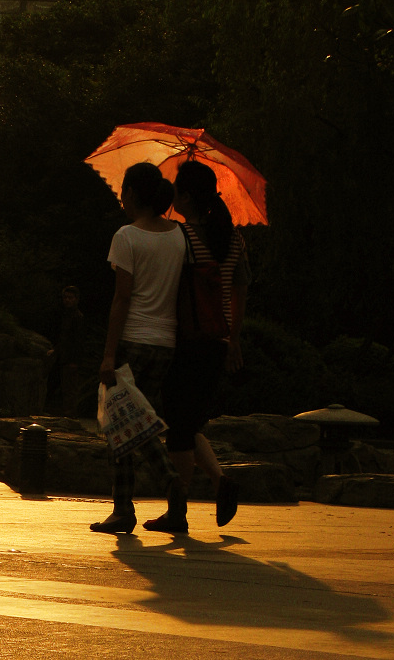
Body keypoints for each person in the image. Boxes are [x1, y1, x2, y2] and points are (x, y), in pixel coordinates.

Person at [90, 163, 189, 535]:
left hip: (132, 341)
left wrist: (108, 354)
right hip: (166, 342)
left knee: (123, 425)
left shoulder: (127, 236)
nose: (121, 198)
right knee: (137, 421)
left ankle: (137, 501)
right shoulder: (179, 236)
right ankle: (159, 498)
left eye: (123, 190)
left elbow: (122, 299)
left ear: (133, 192)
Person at [159, 160, 250, 528]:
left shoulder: (182, 237)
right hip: (217, 341)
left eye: (178, 189)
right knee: (190, 421)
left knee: (178, 428)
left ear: (188, 197)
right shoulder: (235, 238)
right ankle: (220, 481)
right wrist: (234, 339)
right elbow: (240, 291)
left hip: (187, 340)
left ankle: (177, 510)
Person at [47, 286, 86, 417]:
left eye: (70, 298)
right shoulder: (65, 316)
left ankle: (70, 416)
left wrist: (75, 361)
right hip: (63, 358)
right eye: (65, 297)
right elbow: (64, 338)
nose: (67, 300)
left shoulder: (77, 317)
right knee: (65, 388)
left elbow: (78, 341)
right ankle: (66, 414)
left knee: (70, 390)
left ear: (76, 299)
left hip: (70, 359)